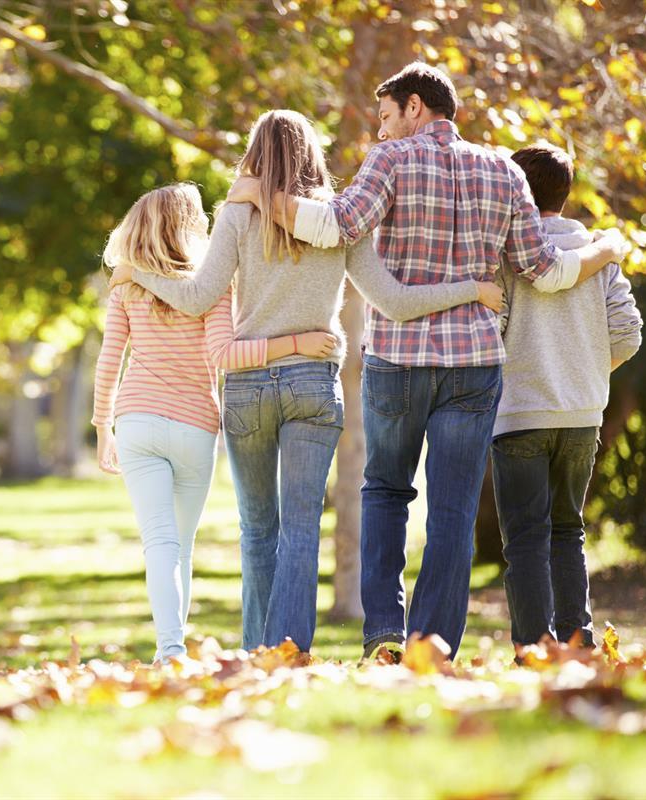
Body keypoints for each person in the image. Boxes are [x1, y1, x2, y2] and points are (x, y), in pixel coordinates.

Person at [226, 63, 629, 659]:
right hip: (473, 365)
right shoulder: (503, 170)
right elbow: (544, 271)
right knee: (454, 509)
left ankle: (383, 635)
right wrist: (605, 248)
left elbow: (333, 225)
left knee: (386, 492)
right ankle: (431, 645)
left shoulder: (389, 162)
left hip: (397, 358)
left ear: (416, 107)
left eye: (388, 116)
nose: (384, 131)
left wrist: (264, 193)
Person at [109, 111, 504, 653]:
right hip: (312, 386)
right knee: (299, 531)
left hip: (247, 387)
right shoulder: (340, 223)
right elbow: (393, 302)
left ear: (256, 156)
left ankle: (256, 655)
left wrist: (138, 273)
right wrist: (471, 289)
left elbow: (198, 298)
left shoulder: (238, 215)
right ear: (313, 156)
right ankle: (287, 653)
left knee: (257, 530)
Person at [92, 182, 338, 663]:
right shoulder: (214, 287)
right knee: (179, 545)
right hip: (194, 428)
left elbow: (109, 360)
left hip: (137, 422)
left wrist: (104, 425)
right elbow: (226, 356)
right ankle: (170, 649)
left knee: (160, 543)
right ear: (186, 230)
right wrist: (296, 343)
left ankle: (170, 651)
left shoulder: (125, 286)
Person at [491, 142, 642, 649]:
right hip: (581, 415)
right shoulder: (596, 252)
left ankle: (534, 647)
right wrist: (585, 374)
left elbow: (493, 328)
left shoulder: (506, 253)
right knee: (566, 531)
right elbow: (628, 333)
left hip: (519, 414)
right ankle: (578, 640)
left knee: (526, 538)